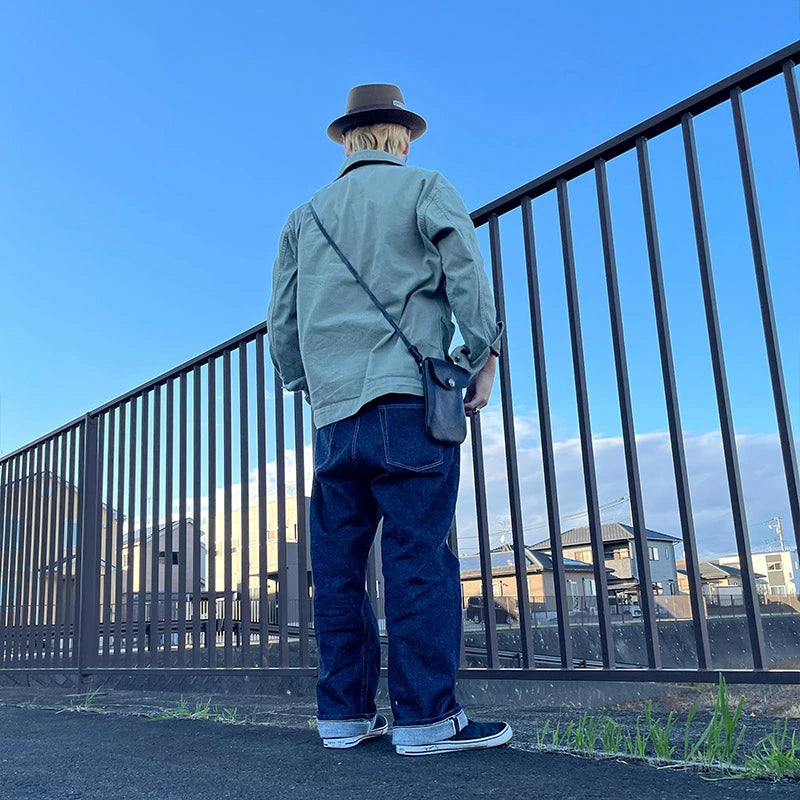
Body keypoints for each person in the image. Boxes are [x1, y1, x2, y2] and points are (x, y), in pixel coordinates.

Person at [267, 83, 511, 756]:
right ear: (400, 138)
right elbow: (465, 271)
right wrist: (483, 354)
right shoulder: (425, 186)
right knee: (418, 556)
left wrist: (309, 383)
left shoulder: (304, 218)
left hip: (334, 417)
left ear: (348, 140)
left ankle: (343, 716)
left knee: (338, 566)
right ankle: (426, 720)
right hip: (408, 402)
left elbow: (282, 325)